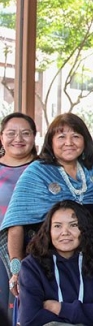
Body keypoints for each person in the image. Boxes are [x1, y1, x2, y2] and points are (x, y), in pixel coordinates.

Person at [1, 113, 93, 299]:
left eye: (76, 136)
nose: (69, 142)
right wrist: (17, 270)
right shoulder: (37, 171)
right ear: (51, 142)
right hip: (45, 266)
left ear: (85, 141)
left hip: (87, 266)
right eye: (61, 136)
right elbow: (16, 223)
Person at [18, 201, 93, 326]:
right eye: (57, 226)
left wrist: (60, 309)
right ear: (48, 231)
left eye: (73, 225)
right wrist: (87, 316)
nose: (65, 232)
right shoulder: (32, 265)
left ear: (85, 229)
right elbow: (30, 319)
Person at [0, 113, 38, 318]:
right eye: (11, 133)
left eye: (25, 133)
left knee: (21, 309)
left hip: (33, 252)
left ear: (34, 136)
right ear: (1, 137)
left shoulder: (44, 169)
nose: (18, 139)